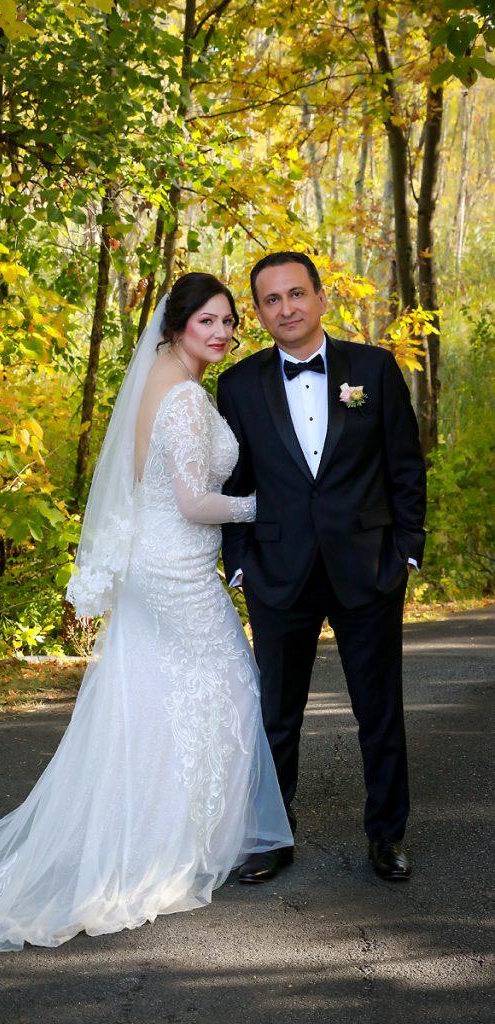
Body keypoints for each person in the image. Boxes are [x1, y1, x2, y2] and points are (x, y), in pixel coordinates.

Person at [0, 273, 291, 954]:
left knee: (151, 700)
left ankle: (149, 831)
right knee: (226, 687)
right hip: (174, 567)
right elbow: (195, 502)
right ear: (174, 326)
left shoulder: (153, 382)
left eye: (229, 321)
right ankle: (168, 843)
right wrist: (270, 506)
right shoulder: (187, 398)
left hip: (154, 562)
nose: (222, 333)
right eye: (208, 321)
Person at [217, 252, 426, 884]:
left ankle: (386, 836)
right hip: (279, 572)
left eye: (296, 294)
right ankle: (273, 840)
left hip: (368, 567)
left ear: (320, 297)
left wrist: (407, 550)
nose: (287, 308)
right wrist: (240, 565)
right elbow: (232, 482)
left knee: (379, 711)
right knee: (276, 714)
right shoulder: (239, 384)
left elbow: (406, 467)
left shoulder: (375, 368)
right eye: (271, 300)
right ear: (258, 312)